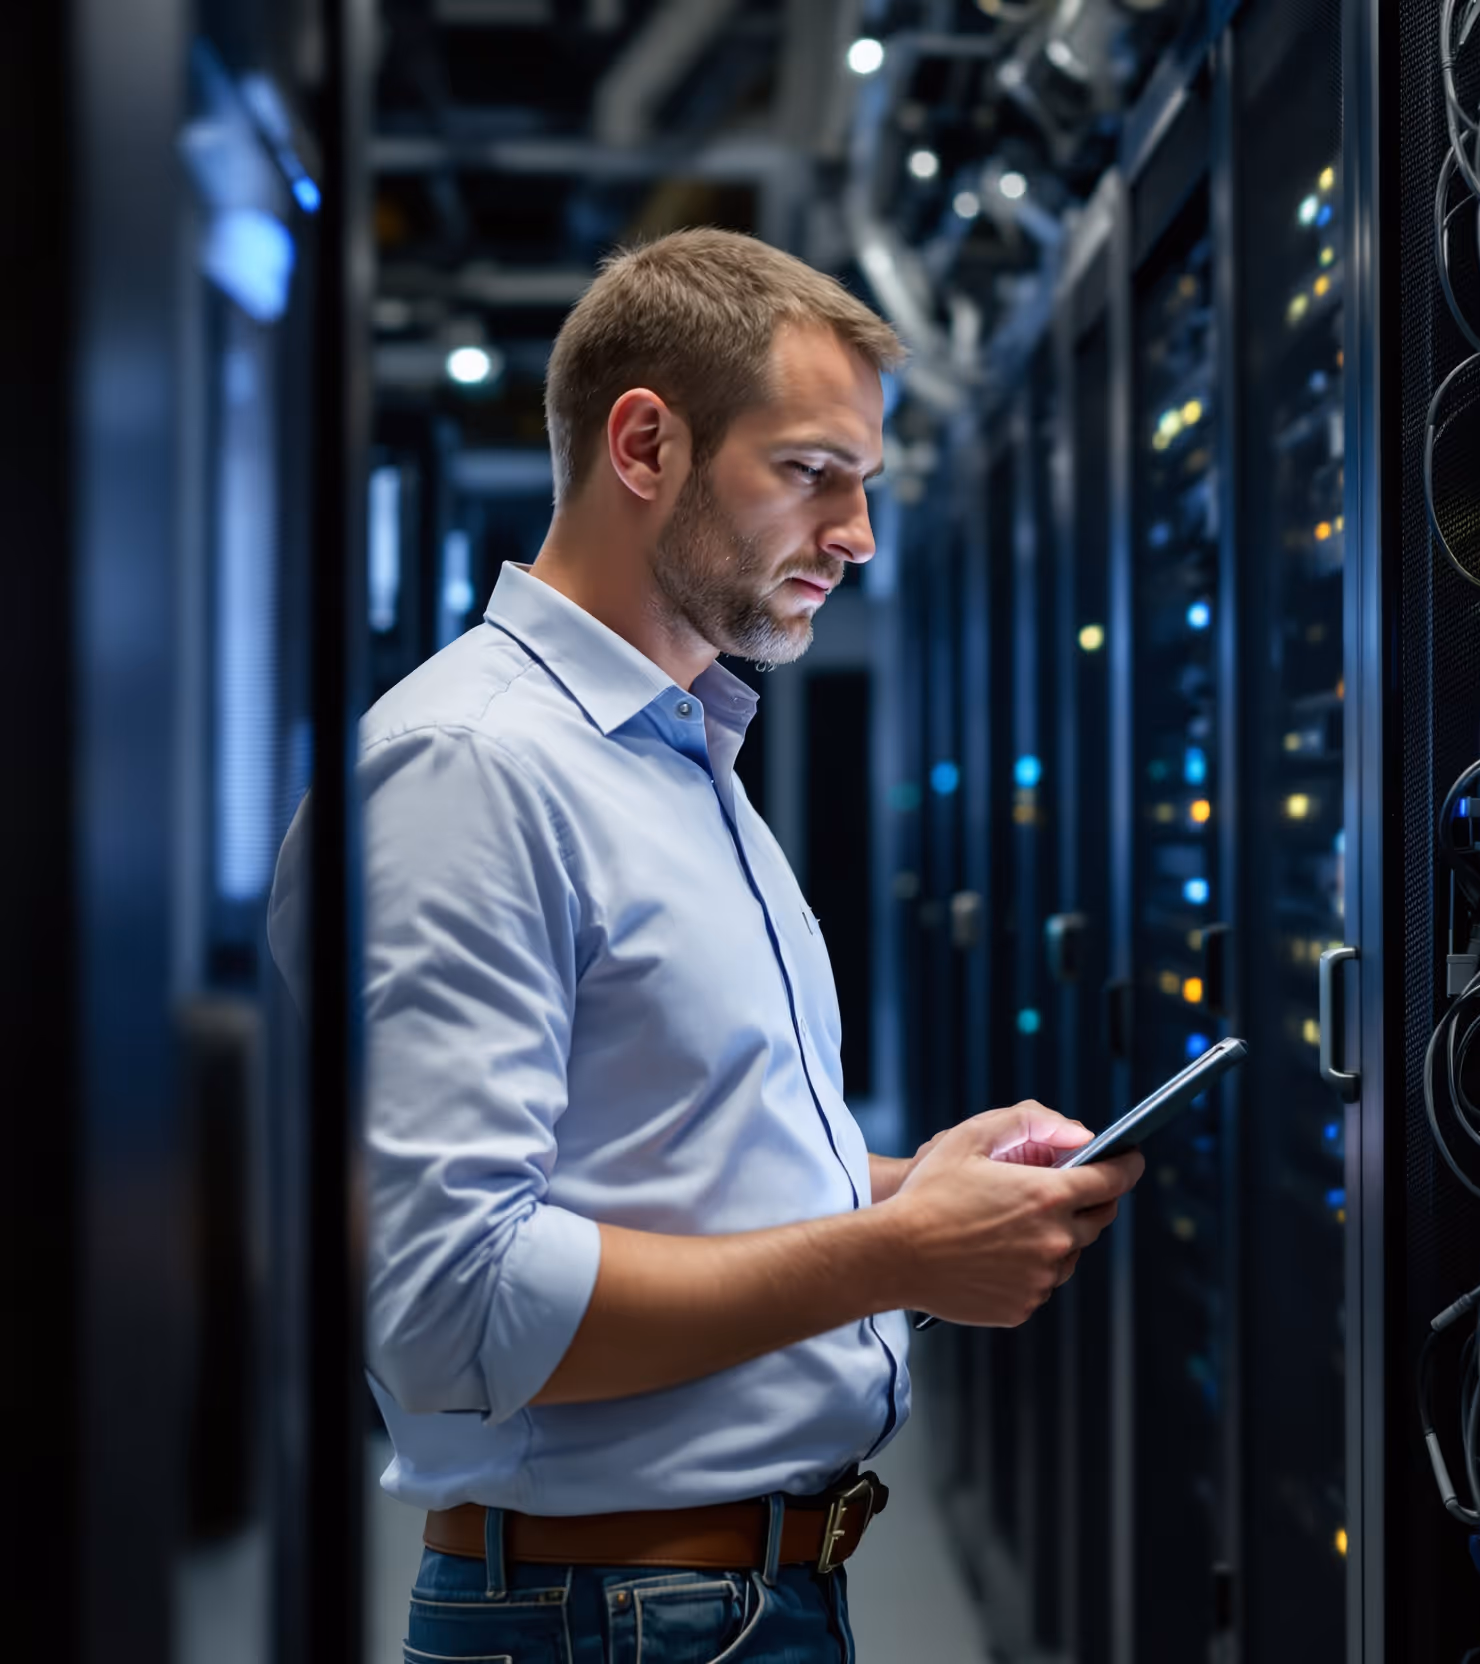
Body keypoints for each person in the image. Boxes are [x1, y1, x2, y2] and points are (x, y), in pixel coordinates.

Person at [269, 227, 1140, 1661]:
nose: (858, 532)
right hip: (610, 1618)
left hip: (712, 1606)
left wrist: (909, 1183)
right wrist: (894, 1256)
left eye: (865, 481)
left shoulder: (675, 760)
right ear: (644, 446)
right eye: (812, 472)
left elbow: (666, 1144)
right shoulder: (473, 770)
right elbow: (452, 1304)